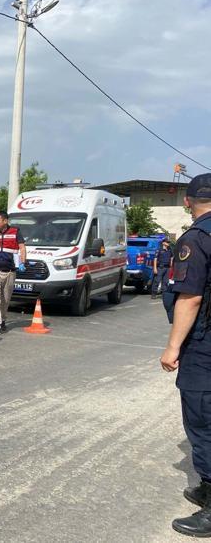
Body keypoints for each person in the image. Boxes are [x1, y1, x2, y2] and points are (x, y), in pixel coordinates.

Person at [161, 174, 211, 537]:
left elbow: (190, 297)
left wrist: (173, 346)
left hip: (205, 346)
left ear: (188, 202)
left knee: (203, 419)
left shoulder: (196, 239)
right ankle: (207, 488)